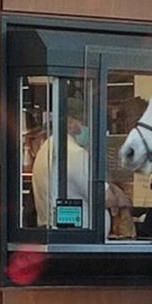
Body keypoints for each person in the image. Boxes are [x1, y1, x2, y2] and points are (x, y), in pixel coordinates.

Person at [32, 98, 92, 228]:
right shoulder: (74, 153)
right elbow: (103, 197)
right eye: (83, 123)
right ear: (69, 123)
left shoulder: (46, 148)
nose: (86, 128)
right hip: (75, 235)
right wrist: (119, 198)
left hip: (52, 228)